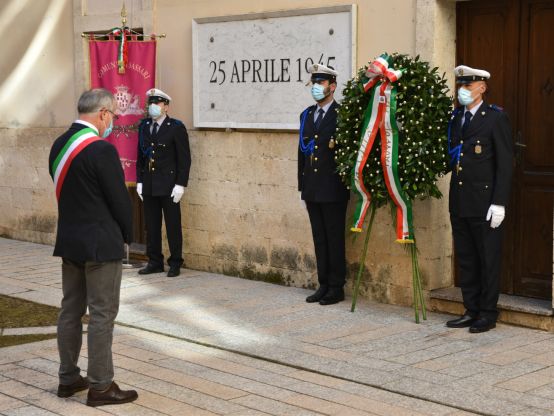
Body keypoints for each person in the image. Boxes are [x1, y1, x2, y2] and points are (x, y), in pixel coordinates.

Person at [48, 88, 138, 406]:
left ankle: (68, 377)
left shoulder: (59, 146)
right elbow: (119, 201)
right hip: (101, 245)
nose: (112, 121)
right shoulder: (100, 149)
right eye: (113, 115)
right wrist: (127, 235)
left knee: (70, 310)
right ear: (102, 114)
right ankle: (101, 386)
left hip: (70, 242)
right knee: (102, 314)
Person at [446, 65, 513, 333]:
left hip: (485, 204)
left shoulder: (495, 118)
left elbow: (505, 164)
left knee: (487, 259)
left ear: (481, 88)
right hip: (460, 201)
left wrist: (499, 202)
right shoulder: (456, 118)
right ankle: (471, 309)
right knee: (467, 259)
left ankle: (487, 313)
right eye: (460, 86)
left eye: (467, 86)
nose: (462, 91)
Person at [298, 64, 349, 306]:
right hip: (313, 187)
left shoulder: (343, 114)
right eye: (314, 83)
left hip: (334, 188)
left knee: (334, 237)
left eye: (321, 83)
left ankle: (336, 287)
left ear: (332, 86)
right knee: (319, 237)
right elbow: (302, 154)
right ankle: (323, 284)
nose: (317, 88)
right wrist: (302, 185)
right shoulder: (307, 115)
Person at [136, 88, 191, 277]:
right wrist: (140, 181)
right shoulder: (144, 126)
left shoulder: (176, 127)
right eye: (150, 103)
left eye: (157, 103)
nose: (153, 107)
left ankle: (175, 262)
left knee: (173, 225)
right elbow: (140, 156)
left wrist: (180, 184)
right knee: (151, 225)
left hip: (169, 185)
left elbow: (184, 158)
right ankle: (154, 262)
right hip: (150, 183)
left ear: (166, 107)